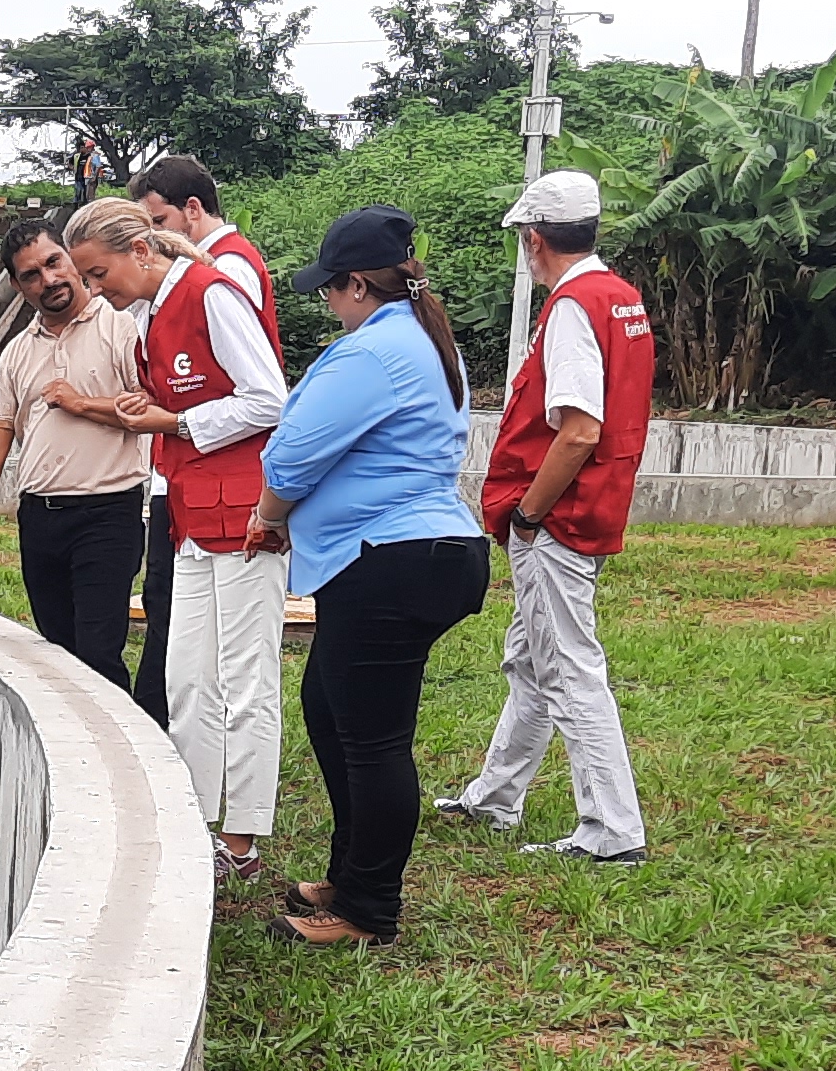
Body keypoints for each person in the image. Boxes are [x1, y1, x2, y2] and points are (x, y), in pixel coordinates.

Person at [246, 206, 489, 948]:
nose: (326, 301)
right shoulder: (420, 339)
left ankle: (367, 909)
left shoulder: (373, 352)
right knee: (330, 709)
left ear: (356, 284)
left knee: (373, 741)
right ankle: (350, 876)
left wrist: (267, 516)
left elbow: (293, 455)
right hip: (412, 554)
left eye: (329, 288)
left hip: (390, 559)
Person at [60, 195, 285, 875]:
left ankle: (242, 839)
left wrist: (175, 422)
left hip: (244, 514)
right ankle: (195, 824)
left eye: (99, 274)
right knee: (186, 678)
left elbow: (269, 399)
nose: (96, 290)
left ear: (140, 249)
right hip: (190, 510)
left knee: (246, 680)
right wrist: (156, 410)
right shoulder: (151, 313)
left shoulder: (212, 294)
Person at [446, 168, 651, 863]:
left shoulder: (571, 307)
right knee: (534, 661)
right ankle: (495, 797)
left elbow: (579, 428)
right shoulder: (619, 298)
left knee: (567, 669)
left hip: (558, 516)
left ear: (535, 239)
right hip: (593, 506)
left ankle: (612, 831)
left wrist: (530, 513)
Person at [0, 222, 148, 689]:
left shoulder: (121, 326)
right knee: (57, 653)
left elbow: (148, 410)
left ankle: (118, 736)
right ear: (16, 286)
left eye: (53, 263)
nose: (49, 280)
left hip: (108, 511)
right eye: (31, 275)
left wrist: (82, 404)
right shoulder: (17, 352)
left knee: (98, 652)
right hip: (40, 517)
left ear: (71, 260)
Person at [121, 156, 271, 730]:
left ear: (191, 210)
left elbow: (258, 391)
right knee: (176, 632)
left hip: (223, 478)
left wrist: (177, 421)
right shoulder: (182, 283)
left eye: (157, 223)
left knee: (229, 663)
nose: (152, 241)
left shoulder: (220, 274)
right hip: (188, 475)